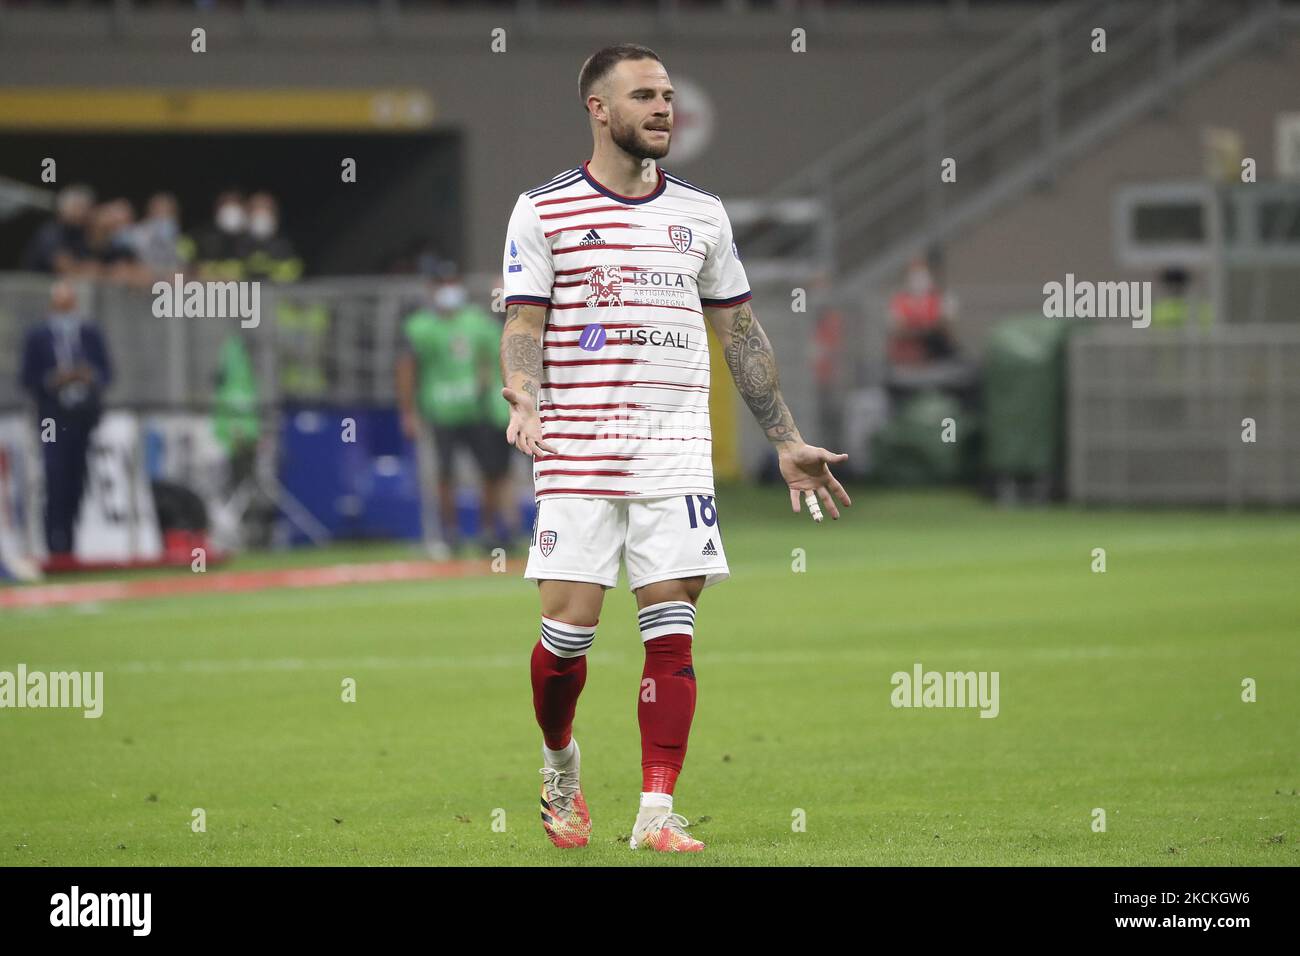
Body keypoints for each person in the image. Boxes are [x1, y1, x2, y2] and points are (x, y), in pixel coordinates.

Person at [499, 44, 851, 853]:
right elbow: (524, 324)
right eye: (645, 96)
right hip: (580, 454)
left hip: (675, 457)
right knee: (566, 641)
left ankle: (657, 813)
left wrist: (786, 439)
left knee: (671, 631)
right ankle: (560, 766)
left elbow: (742, 332)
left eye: (667, 96)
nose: (664, 109)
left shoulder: (702, 213)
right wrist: (525, 392)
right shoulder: (542, 209)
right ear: (598, 107)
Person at [399, 262, 513, 554]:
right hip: (440, 412)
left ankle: (489, 531)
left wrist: (488, 392)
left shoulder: (476, 321)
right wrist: (408, 412)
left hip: (477, 411)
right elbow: (407, 369)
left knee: (490, 472)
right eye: (442, 283)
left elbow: (492, 357)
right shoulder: (420, 327)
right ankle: (450, 535)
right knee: (444, 475)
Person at [18, 281, 113, 558]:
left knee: (76, 478)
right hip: (51, 417)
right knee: (54, 474)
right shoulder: (38, 336)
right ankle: (54, 545)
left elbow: (106, 372)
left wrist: (88, 376)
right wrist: (53, 380)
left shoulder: (89, 333)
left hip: (82, 415)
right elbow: (27, 378)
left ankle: (70, 544)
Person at [888, 255, 957, 365]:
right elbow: (898, 327)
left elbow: (945, 324)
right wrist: (921, 328)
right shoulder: (899, 300)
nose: (918, 278)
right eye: (914, 273)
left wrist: (925, 327)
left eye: (921, 272)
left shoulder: (941, 298)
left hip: (935, 346)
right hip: (910, 348)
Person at [21, 184, 95, 276]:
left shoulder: (82, 232)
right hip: (37, 284)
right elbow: (66, 268)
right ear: (63, 208)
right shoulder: (50, 232)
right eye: (77, 207)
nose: (82, 212)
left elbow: (96, 263)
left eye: (85, 207)